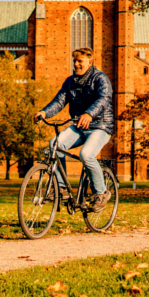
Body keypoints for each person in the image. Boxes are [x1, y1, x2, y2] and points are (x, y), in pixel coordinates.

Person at [33, 47, 114, 210]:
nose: (76, 64)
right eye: (74, 61)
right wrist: (44, 112)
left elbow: (104, 99)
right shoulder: (70, 82)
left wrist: (89, 114)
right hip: (78, 126)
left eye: (80, 61)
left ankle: (100, 193)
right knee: (54, 146)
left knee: (86, 154)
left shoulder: (100, 78)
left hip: (100, 126)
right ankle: (62, 188)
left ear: (89, 62)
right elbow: (59, 101)